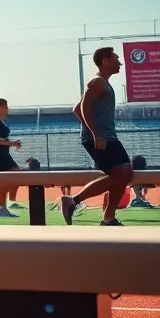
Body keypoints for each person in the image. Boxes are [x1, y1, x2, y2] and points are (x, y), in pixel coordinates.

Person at [61, 47, 133, 226]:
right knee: (121, 175)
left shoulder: (102, 84)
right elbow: (83, 108)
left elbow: (77, 109)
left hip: (107, 136)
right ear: (105, 61)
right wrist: (95, 133)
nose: (120, 62)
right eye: (116, 58)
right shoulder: (97, 82)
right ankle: (73, 201)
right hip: (101, 138)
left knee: (125, 174)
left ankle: (108, 217)